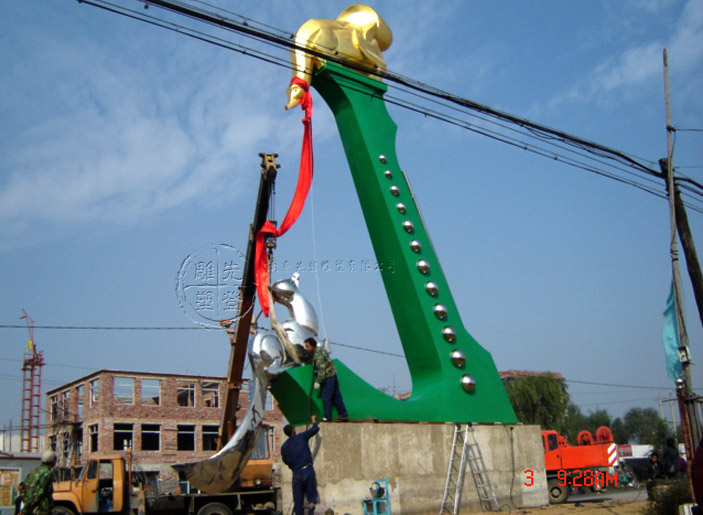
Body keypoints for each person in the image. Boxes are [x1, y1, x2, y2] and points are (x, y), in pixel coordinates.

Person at [281, 415, 321, 515]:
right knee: (311, 499)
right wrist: (314, 421)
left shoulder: (284, 447)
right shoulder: (301, 437)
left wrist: (293, 466)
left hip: (296, 473)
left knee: (298, 502)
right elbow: (315, 429)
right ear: (293, 431)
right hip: (307, 470)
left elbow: (285, 460)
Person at [304, 337, 348, 422]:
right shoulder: (319, 350)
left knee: (326, 397)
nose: (306, 348)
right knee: (336, 396)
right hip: (332, 374)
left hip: (328, 376)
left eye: (307, 346)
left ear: (312, 346)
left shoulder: (318, 355)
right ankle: (343, 414)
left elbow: (321, 368)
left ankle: (327, 416)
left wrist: (318, 381)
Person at [21, 450, 56, 515]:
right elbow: (39, 493)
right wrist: (25, 509)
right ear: (53, 460)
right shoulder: (47, 473)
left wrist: (26, 504)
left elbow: (22, 487)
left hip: (31, 508)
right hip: (41, 510)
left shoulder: (33, 471)